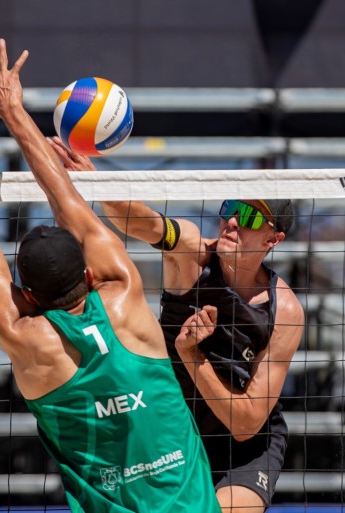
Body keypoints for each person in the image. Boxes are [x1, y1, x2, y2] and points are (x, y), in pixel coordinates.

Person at [0, 39, 221, 513]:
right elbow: (66, 199)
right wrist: (13, 110)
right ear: (90, 274)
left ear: (28, 296)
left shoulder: (28, 341)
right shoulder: (124, 295)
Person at [49, 137, 305, 513]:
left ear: (273, 239)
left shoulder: (285, 310)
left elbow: (246, 424)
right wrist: (99, 185)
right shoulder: (191, 254)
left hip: (243, 449)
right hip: (173, 433)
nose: (233, 222)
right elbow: (142, 220)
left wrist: (191, 356)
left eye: (250, 217)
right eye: (231, 209)